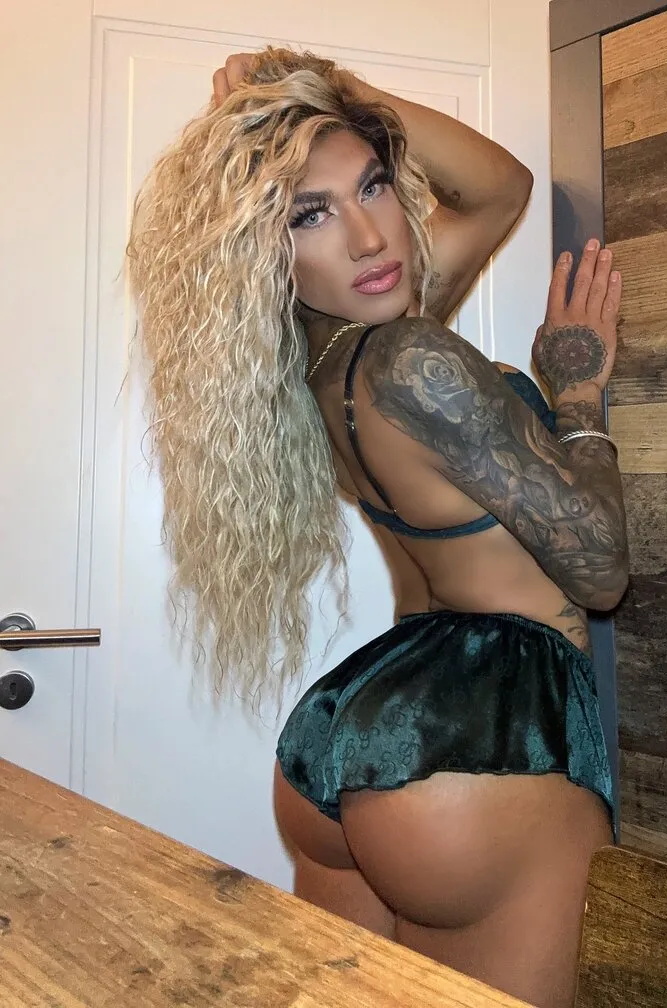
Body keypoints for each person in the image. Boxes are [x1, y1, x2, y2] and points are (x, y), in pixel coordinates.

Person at [128, 47, 629, 1008]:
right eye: (308, 214)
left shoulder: (324, 370)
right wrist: (576, 397)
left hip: (357, 738)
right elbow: (601, 570)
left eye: (373, 186)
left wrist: (324, 83)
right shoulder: (409, 362)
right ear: (265, 251)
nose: (369, 238)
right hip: (488, 745)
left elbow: (500, 190)